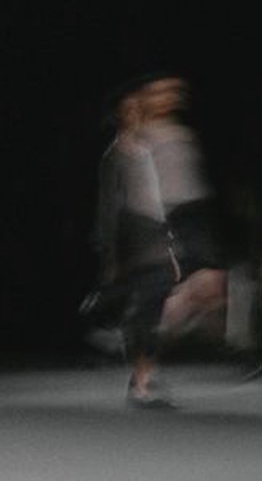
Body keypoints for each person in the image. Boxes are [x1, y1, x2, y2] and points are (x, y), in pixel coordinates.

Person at [88, 72, 226, 408]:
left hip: (184, 222)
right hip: (142, 230)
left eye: (174, 92)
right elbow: (111, 204)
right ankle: (142, 381)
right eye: (160, 93)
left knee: (209, 288)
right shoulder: (122, 149)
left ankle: (130, 336)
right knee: (153, 292)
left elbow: (191, 188)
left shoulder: (180, 136)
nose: (170, 97)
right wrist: (108, 250)